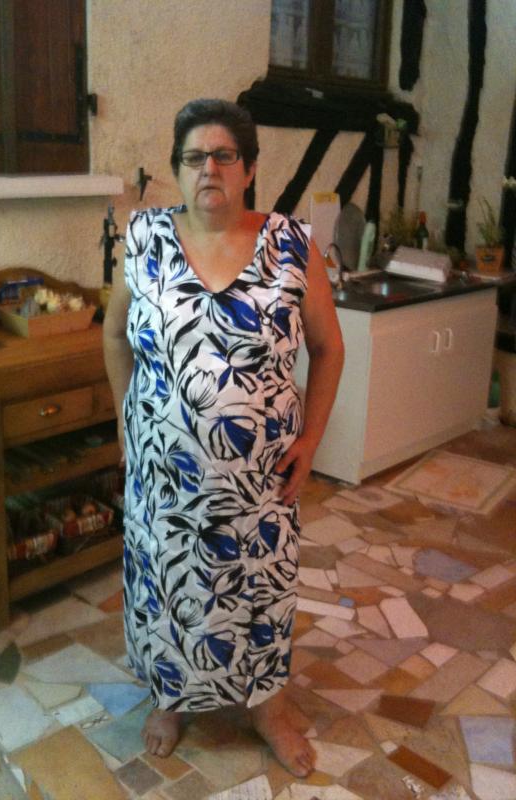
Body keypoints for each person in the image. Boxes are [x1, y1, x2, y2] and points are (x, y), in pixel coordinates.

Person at [103, 98, 344, 778]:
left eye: (222, 155)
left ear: (249, 169)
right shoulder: (145, 238)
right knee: (166, 585)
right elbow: (114, 335)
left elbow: (329, 349)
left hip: (261, 477)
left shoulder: (291, 244)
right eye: (192, 157)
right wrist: (126, 424)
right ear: (178, 171)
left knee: (257, 590)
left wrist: (311, 440)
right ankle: (170, 698)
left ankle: (267, 707)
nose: (207, 168)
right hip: (163, 472)